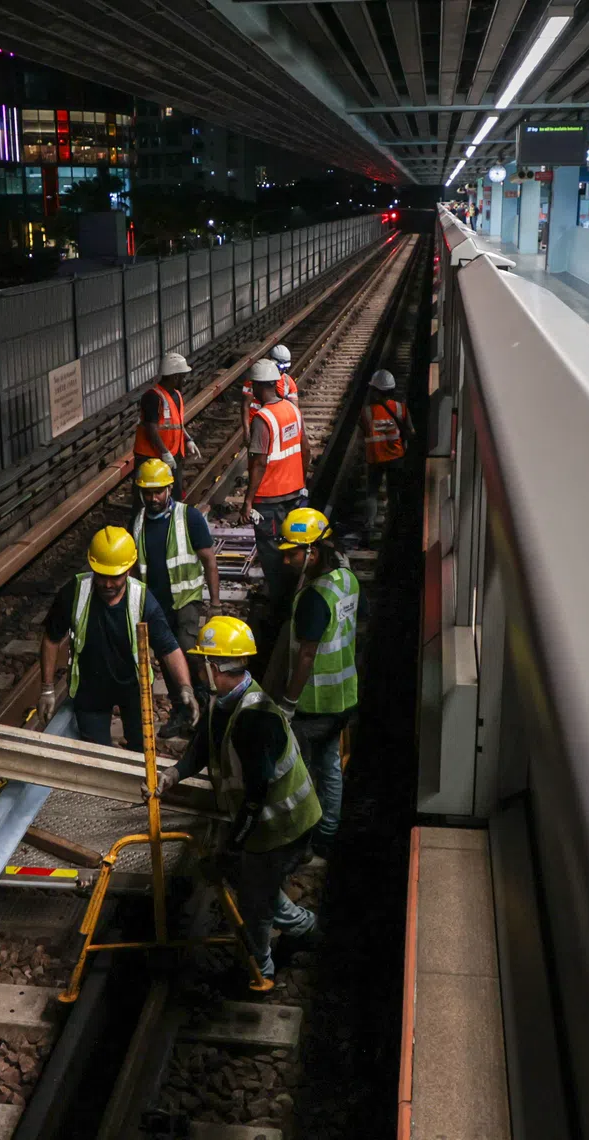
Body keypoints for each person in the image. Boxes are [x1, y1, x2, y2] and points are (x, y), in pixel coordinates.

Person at [151, 616, 321, 979]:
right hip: (266, 821)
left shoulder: (255, 721)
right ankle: (305, 927)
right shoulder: (226, 701)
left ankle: (261, 971)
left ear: (214, 669)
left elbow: (256, 797)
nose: (198, 671)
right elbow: (203, 747)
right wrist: (175, 773)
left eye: (202, 665)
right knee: (251, 880)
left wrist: (233, 846)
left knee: (254, 900)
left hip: (283, 825)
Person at [38, 526, 199, 751]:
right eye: (102, 575)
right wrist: (47, 689)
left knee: (140, 751)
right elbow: (51, 639)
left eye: (115, 577)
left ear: (129, 570)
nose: (107, 584)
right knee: (98, 757)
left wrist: (185, 687)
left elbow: (168, 647)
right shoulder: (74, 593)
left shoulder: (142, 600)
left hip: (134, 688)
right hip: (91, 690)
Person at [277, 509, 361, 861]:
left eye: (292, 552)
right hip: (344, 697)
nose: (285, 559)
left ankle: (301, 845)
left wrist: (287, 703)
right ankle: (327, 834)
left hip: (314, 706)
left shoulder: (314, 598)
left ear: (312, 551)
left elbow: (307, 656)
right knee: (329, 767)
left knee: (301, 775)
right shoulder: (346, 580)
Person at [130, 459, 221, 737]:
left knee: (187, 649)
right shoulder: (137, 522)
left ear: (169, 489)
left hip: (186, 599)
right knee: (167, 657)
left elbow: (208, 560)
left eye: (158, 491)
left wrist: (215, 603)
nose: (153, 498)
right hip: (155, 605)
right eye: (147, 492)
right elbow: (134, 565)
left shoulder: (188, 517)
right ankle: (181, 710)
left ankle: (204, 702)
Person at [239, 358, 311, 607]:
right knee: (294, 543)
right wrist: (301, 479)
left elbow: (258, 463)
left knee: (271, 550)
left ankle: (280, 600)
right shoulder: (293, 410)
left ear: (260, 386)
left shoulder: (263, 418)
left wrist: (248, 501)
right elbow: (306, 450)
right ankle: (296, 590)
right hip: (294, 492)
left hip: (269, 498)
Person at [133, 352, 202, 501]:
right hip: (151, 459)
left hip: (171, 456)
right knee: (147, 501)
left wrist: (188, 439)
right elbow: (151, 428)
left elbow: (176, 425)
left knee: (173, 497)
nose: (184, 380)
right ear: (175, 377)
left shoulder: (176, 395)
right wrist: (164, 452)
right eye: (182, 376)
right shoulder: (153, 397)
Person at [360, 369, 414, 538]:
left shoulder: (366, 412)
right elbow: (411, 431)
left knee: (372, 493)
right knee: (394, 492)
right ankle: (394, 528)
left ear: (376, 391)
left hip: (375, 458)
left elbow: (363, 433)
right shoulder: (400, 408)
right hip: (396, 457)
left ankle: (369, 527)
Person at [239, 345, 298, 436]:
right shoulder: (255, 379)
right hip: (256, 425)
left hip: (276, 425)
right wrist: (247, 430)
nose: (281, 370)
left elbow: (295, 410)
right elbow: (245, 405)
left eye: (284, 367)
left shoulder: (288, 382)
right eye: (279, 367)